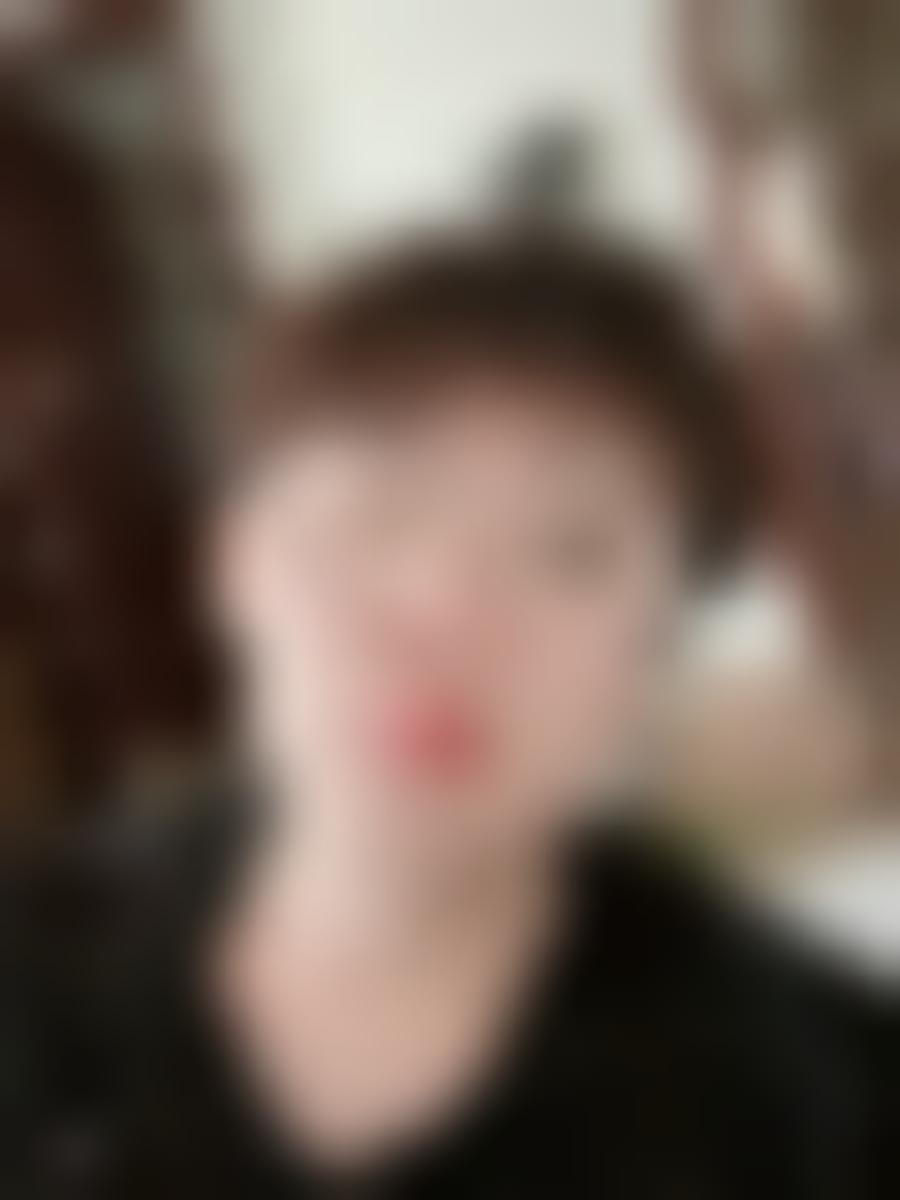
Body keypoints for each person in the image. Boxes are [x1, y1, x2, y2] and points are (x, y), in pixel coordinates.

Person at [4, 235, 895, 1197]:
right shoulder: (37, 968)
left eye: (570, 550)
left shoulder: (824, 1094)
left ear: (657, 643)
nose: (449, 611)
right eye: (381, 514)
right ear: (236, 568)